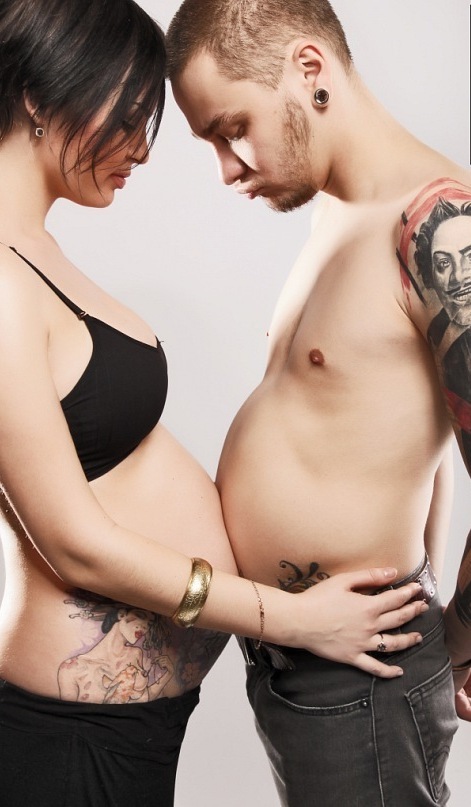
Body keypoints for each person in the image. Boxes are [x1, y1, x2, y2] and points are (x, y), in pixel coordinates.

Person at [0, 1, 428, 805]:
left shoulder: (34, 250)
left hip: (126, 727)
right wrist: (289, 618)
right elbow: (72, 543)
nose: (141, 147)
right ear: (36, 93)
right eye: (129, 114)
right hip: (69, 740)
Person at [166, 0, 471, 804]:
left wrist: (453, 639)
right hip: (299, 662)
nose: (226, 169)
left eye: (232, 129)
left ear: (308, 70)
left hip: (365, 675)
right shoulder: (339, 210)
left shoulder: (441, 226)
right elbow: (423, 432)